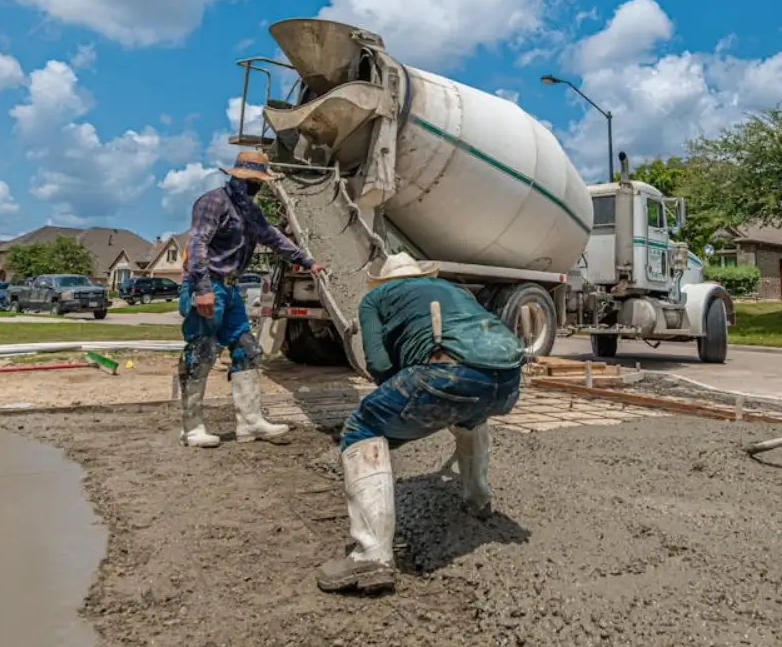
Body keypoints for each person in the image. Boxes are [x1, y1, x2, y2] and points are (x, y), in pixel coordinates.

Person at [316, 253, 525, 594]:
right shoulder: (453, 289)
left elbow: (378, 362)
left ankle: (370, 556)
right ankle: (478, 500)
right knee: (470, 418)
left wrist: (402, 398)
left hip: (446, 373)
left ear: (384, 280)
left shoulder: (375, 298)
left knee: (361, 427)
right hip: (507, 382)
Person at [177, 149, 324, 449]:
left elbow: (273, 237)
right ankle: (191, 427)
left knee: (247, 348)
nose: (254, 187)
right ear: (237, 178)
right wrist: (202, 288)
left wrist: (308, 262)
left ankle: (250, 421)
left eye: (258, 182)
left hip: (231, 289)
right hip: (209, 285)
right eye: (250, 181)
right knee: (202, 350)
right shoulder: (213, 202)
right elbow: (197, 243)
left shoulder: (251, 212)